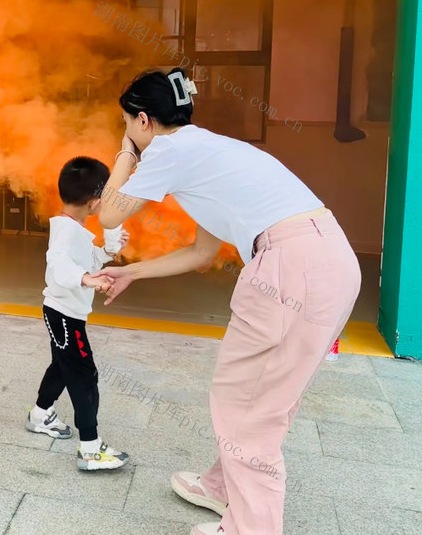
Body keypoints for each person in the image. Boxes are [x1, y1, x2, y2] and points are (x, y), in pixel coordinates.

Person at [94, 68, 361, 535]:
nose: (127, 130)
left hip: (290, 265)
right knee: (266, 393)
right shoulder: (214, 150)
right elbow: (201, 253)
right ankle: (223, 488)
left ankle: (251, 529)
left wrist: (126, 151)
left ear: (143, 119)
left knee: (244, 401)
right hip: (331, 261)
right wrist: (131, 271)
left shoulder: (170, 149)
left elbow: (110, 212)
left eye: (126, 121)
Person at [25, 156, 130, 470]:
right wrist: (85, 279)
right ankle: (91, 448)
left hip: (62, 314)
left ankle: (41, 414)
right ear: (95, 203)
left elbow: (83, 261)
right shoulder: (66, 233)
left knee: (62, 366)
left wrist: (106, 253)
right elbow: (60, 265)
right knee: (85, 376)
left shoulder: (72, 227)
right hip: (65, 316)